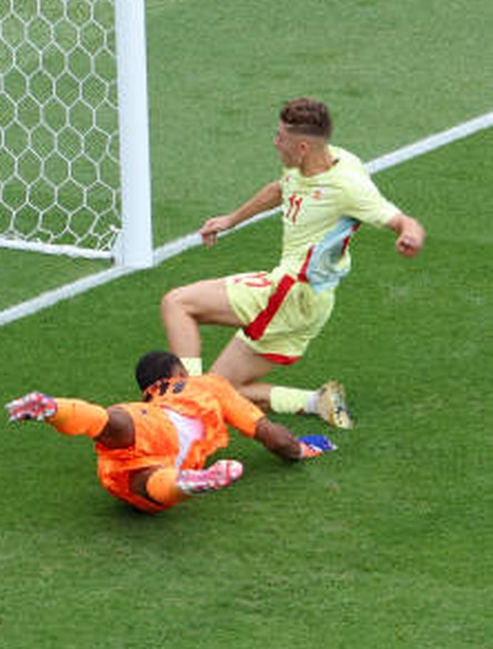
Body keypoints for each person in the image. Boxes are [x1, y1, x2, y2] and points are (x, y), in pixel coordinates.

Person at [160, 97, 425, 429]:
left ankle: (187, 405)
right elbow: (279, 189)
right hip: (304, 299)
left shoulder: (347, 185)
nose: (275, 142)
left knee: (178, 304)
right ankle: (316, 401)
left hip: (290, 295)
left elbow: (403, 220)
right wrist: (231, 219)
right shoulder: (307, 163)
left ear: (301, 146)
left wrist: (409, 236)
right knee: (226, 388)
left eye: (280, 137)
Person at [5, 350, 335, 514]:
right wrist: (303, 449)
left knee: (111, 424)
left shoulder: (149, 401)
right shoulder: (206, 385)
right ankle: (185, 483)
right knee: (152, 484)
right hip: (172, 443)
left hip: (119, 467)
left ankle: (55, 408)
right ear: (178, 371)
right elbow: (272, 436)